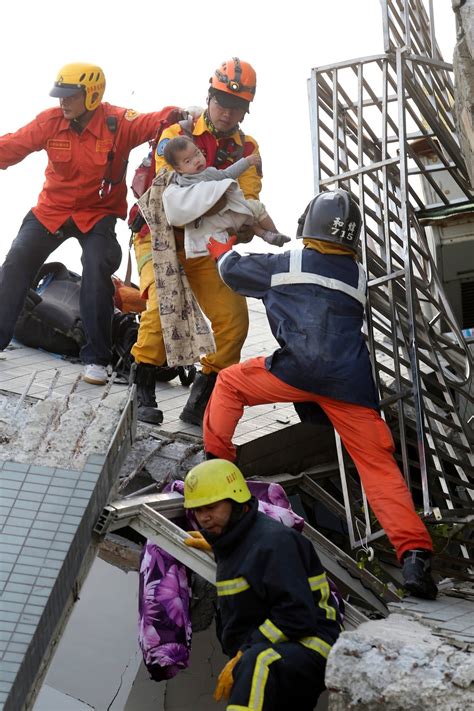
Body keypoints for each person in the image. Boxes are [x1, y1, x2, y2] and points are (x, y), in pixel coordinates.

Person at [203, 189, 438, 600]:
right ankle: (415, 555)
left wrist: (219, 245)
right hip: (350, 385)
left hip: (298, 370)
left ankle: (215, 463)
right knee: (378, 468)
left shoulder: (289, 262)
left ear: (307, 225)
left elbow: (232, 271)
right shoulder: (358, 276)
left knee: (230, 383)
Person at [0, 62, 183, 385]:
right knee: (17, 260)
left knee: (97, 265)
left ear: (92, 95)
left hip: (97, 215)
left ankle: (96, 359)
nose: (63, 102)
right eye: (60, 95)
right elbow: (12, 146)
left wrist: (180, 114)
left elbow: (153, 122)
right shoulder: (50, 121)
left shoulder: (118, 123)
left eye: (70, 96)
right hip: (51, 211)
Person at [130, 58, 264, 426]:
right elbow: (172, 199)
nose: (227, 111)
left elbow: (249, 205)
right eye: (222, 101)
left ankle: (202, 395)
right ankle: (141, 387)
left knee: (234, 321)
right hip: (157, 238)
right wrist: (224, 199)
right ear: (209, 97)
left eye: (237, 106)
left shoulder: (248, 148)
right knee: (160, 309)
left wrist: (233, 213)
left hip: (207, 246)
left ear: (246, 110)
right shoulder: (176, 133)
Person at [183, 459, 342, 711]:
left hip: (311, 643)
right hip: (277, 645)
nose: (204, 517)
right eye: (198, 510)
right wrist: (218, 546)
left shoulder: (273, 544)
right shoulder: (234, 539)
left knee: (257, 665)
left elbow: (296, 615)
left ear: (236, 500)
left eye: (211, 507)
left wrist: (243, 653)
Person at [162, 135, 290, 258]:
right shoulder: (206, 175)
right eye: (188, 161)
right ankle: (274, 232)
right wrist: (247, 161)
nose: (196, 160)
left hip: (210, 226)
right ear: (179, 169)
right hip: (219, 218)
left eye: (197, 154)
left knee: (247, 218)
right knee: (256, 208)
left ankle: (265, 234)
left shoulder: (176, 182)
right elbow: (228, 175)